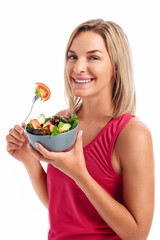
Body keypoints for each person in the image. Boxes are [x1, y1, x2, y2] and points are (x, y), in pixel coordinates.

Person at [6, 19, 154, 240]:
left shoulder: (132, 134)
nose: (77, 68)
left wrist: (80, 175)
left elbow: (138, 234)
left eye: (93, 57)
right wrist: (29, 160)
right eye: (72, 56)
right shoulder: (60, 122)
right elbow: (61, 205)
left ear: (116, 67)